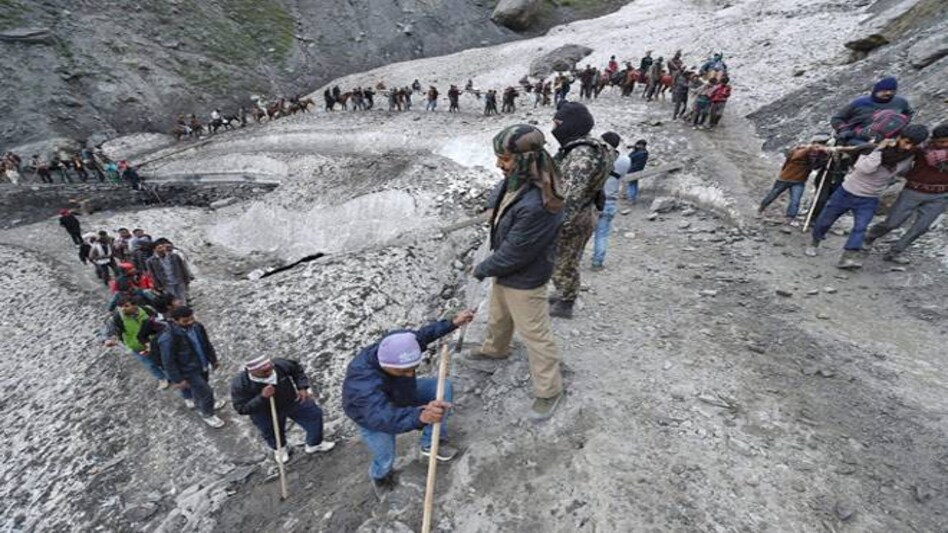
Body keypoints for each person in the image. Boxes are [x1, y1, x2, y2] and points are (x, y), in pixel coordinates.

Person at [470, 124, 566, 420]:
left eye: (506, 159)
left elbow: (517, 252)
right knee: (499, 315)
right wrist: (490, 207)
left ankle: (550, 390)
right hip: (508, 271)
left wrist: (482, 269)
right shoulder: (522, 177)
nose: (499, 164)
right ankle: (495, 349)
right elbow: (502, 192)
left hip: (525, 277)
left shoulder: (539, 203)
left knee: (535, 333)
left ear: (523, 161)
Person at [342, 310, 474, 498]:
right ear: (386, 365)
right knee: (385, 456)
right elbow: (382, 416)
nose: (411, 374)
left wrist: (453, 323)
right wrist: (419, 416)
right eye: (404, 371)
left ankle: (430, 444)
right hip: (373, 418)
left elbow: (422, 336)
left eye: (413, 369)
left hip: (401, 392)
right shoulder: (362, 384)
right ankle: (380, 477)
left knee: (442, 387)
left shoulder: (399, 345)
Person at [807, 125, 928, 269]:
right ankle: (815, 242)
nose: (908, 147)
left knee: (860, 227)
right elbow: (865, 169)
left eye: (913, 145)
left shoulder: (909, 155)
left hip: (869, 198)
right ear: (899, 137)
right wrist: (880, 150)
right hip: (846, 192)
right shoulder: (871, 149)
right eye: (906, 142)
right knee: (825, 221)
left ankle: (848, 258)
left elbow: (904, 171)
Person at [549, 102, 615, 318]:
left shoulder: (581, 155)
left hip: (574, 217)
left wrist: (557, 224)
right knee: (568, 257)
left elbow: (570, 197)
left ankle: (566, 301)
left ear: (570, 125)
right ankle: (562, 293)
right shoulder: (596, 147)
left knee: (565, 258)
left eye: (557, 124)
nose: (553, 128)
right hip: (586, 212)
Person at [865, 123, 948, 263]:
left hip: (940, 196)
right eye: (942, 142)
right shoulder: (920, 149)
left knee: (921, 228)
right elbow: (898, 155)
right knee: (892, 223)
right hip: (913, 191)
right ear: (933, 140)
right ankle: (868, 237)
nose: (945, 145)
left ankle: (895, 252)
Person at [232, 356, 336, 463]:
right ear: (253, 371)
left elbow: (296, 370)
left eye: (271, 367)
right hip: (264, 412)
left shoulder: (280, 365)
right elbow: (241, 408)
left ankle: (314, 444)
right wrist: (262, 397)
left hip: (291, 400)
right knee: (272, 432)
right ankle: (280, 449)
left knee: (314, 416)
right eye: (265, 371)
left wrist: (302, 387)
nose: (270, 371)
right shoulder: (240, 384)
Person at [159, 306, 226, 428]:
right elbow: (168, 361)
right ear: (175, 320)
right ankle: (207, 414)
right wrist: (178, 379)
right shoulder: (168, 338)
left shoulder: (197, 326)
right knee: (206, 392)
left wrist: (213, 359)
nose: (190, 322)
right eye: (185, 321)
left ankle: (200, 405)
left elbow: (206, 343)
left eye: (191, 319)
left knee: (200, 389)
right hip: (188, 370)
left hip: (202, 364)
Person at [758, 134, 832, 224]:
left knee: (795, 201)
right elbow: (798, 156)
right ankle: (761, 208)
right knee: (773, 195)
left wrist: (825, 158)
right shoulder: (800, 150)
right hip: (785, 178)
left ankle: (790, 218)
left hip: (799, 181)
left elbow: (815, 166)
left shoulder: (817, 155)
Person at [103, 295, 168, 390]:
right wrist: (107, 340)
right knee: (150, 364)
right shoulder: (116, 319)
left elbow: (160, 320)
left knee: (164, 359)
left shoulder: (147, 310)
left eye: (126, 306)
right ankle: (161, 378)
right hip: (136, 346)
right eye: (120, 307)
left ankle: (171, 375)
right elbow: (107, 332)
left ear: (134, 305)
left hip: (155, 342)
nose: (123, 309)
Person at [831, 77, 914, 146]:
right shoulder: (859, 103)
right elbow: (837, 119)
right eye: (884, 91)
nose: (888, 93)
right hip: (858, 137)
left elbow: (908, 114)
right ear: (876, 91)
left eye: (892, 91)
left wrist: (900, 125)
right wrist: (844, 130)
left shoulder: (900, 102)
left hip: (889, 138)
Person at [592, 132, 628, 270]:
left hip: (593, 201)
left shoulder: (596, 157)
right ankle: (597, 262)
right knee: (602, 235)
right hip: (610, 201)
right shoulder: (625, 161)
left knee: (581, 233)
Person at [146, 238, 192, 305]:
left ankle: (184, 309)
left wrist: (186, 278)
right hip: (166, 283)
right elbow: (152, 274)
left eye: (163, 247)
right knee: (173, 299)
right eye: (159, 248)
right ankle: (178, 311)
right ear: (154, 250)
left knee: (182, 297)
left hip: (179, 280)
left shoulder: (174, 256)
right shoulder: (151, 261)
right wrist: (158, 285)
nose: (162, 249)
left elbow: (182, 268)